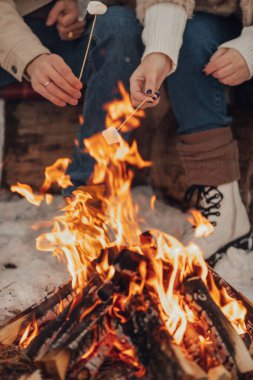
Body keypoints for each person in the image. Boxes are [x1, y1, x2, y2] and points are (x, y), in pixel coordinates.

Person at [130, 0, 253, 263]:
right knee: (189, 39)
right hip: (219, 35)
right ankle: (225, 213)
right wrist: (159, 53)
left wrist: (250, 51)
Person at [0, 0, 143, 195]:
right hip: (9, 31)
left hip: (80, 33)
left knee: (121, 26)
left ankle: (87, 194)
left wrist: (81, 4)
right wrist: (30, 57)